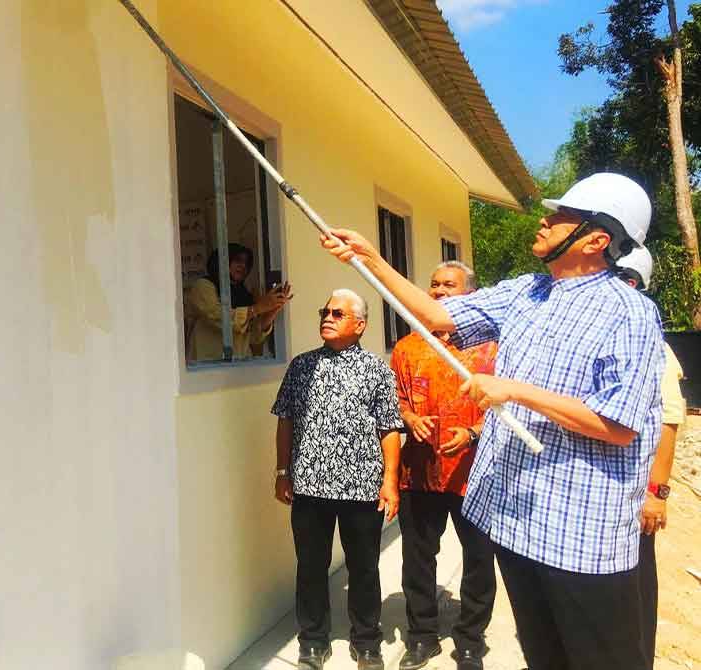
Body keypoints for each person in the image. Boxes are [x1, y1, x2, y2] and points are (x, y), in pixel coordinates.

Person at [320, 172, 664, 670]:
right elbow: (439, 318)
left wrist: (514, 390)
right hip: (518, 524)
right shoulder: (528, 292)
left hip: (579, 536)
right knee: (544, 655)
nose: (545, 220)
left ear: (596, 240)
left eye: (563, 215)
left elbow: (618, 424)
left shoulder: (629, 312)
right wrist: (370, 259)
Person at [271, 289, 403, 670]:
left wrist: (390, 481)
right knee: (310, 566)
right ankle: (313, 641)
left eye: (338, 313)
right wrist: (282, 471)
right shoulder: (301, 366)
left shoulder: (377, 370)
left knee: (363, 567)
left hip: (361, 487)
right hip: (309, 486)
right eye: (324, 311)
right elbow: (286, 420)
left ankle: (366, 642)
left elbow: (389, 428)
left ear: (359, 325)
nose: (327, 317)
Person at [389, 261, 497, 670]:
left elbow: (510, 404)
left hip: (476, 474)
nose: (438, 292)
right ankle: (422, 637)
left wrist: (472, 433)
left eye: (448, 286)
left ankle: (470, 640)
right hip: (419, 472)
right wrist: (409, 418)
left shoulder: (491, 346)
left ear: (470, 293)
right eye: (434, 285)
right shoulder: (407, 347)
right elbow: (395, 400)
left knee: (479, 558)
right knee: (417, 559)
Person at [615, 246, 687, 668]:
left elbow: (669, 421)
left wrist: (656, 492)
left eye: (625, 280)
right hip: (598, 494)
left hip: (634, 493)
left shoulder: (651, 345)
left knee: (635, 585)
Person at [185, 243, 291, 362]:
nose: (243, 266)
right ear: (223, 261)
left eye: (247, 263)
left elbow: (253, 338)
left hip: (238, 369)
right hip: (206, 367)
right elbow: (218, 317)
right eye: (238, 260)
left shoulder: (243, 293)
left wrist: (273, 310)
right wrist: (257, 308)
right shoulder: (203, 286)